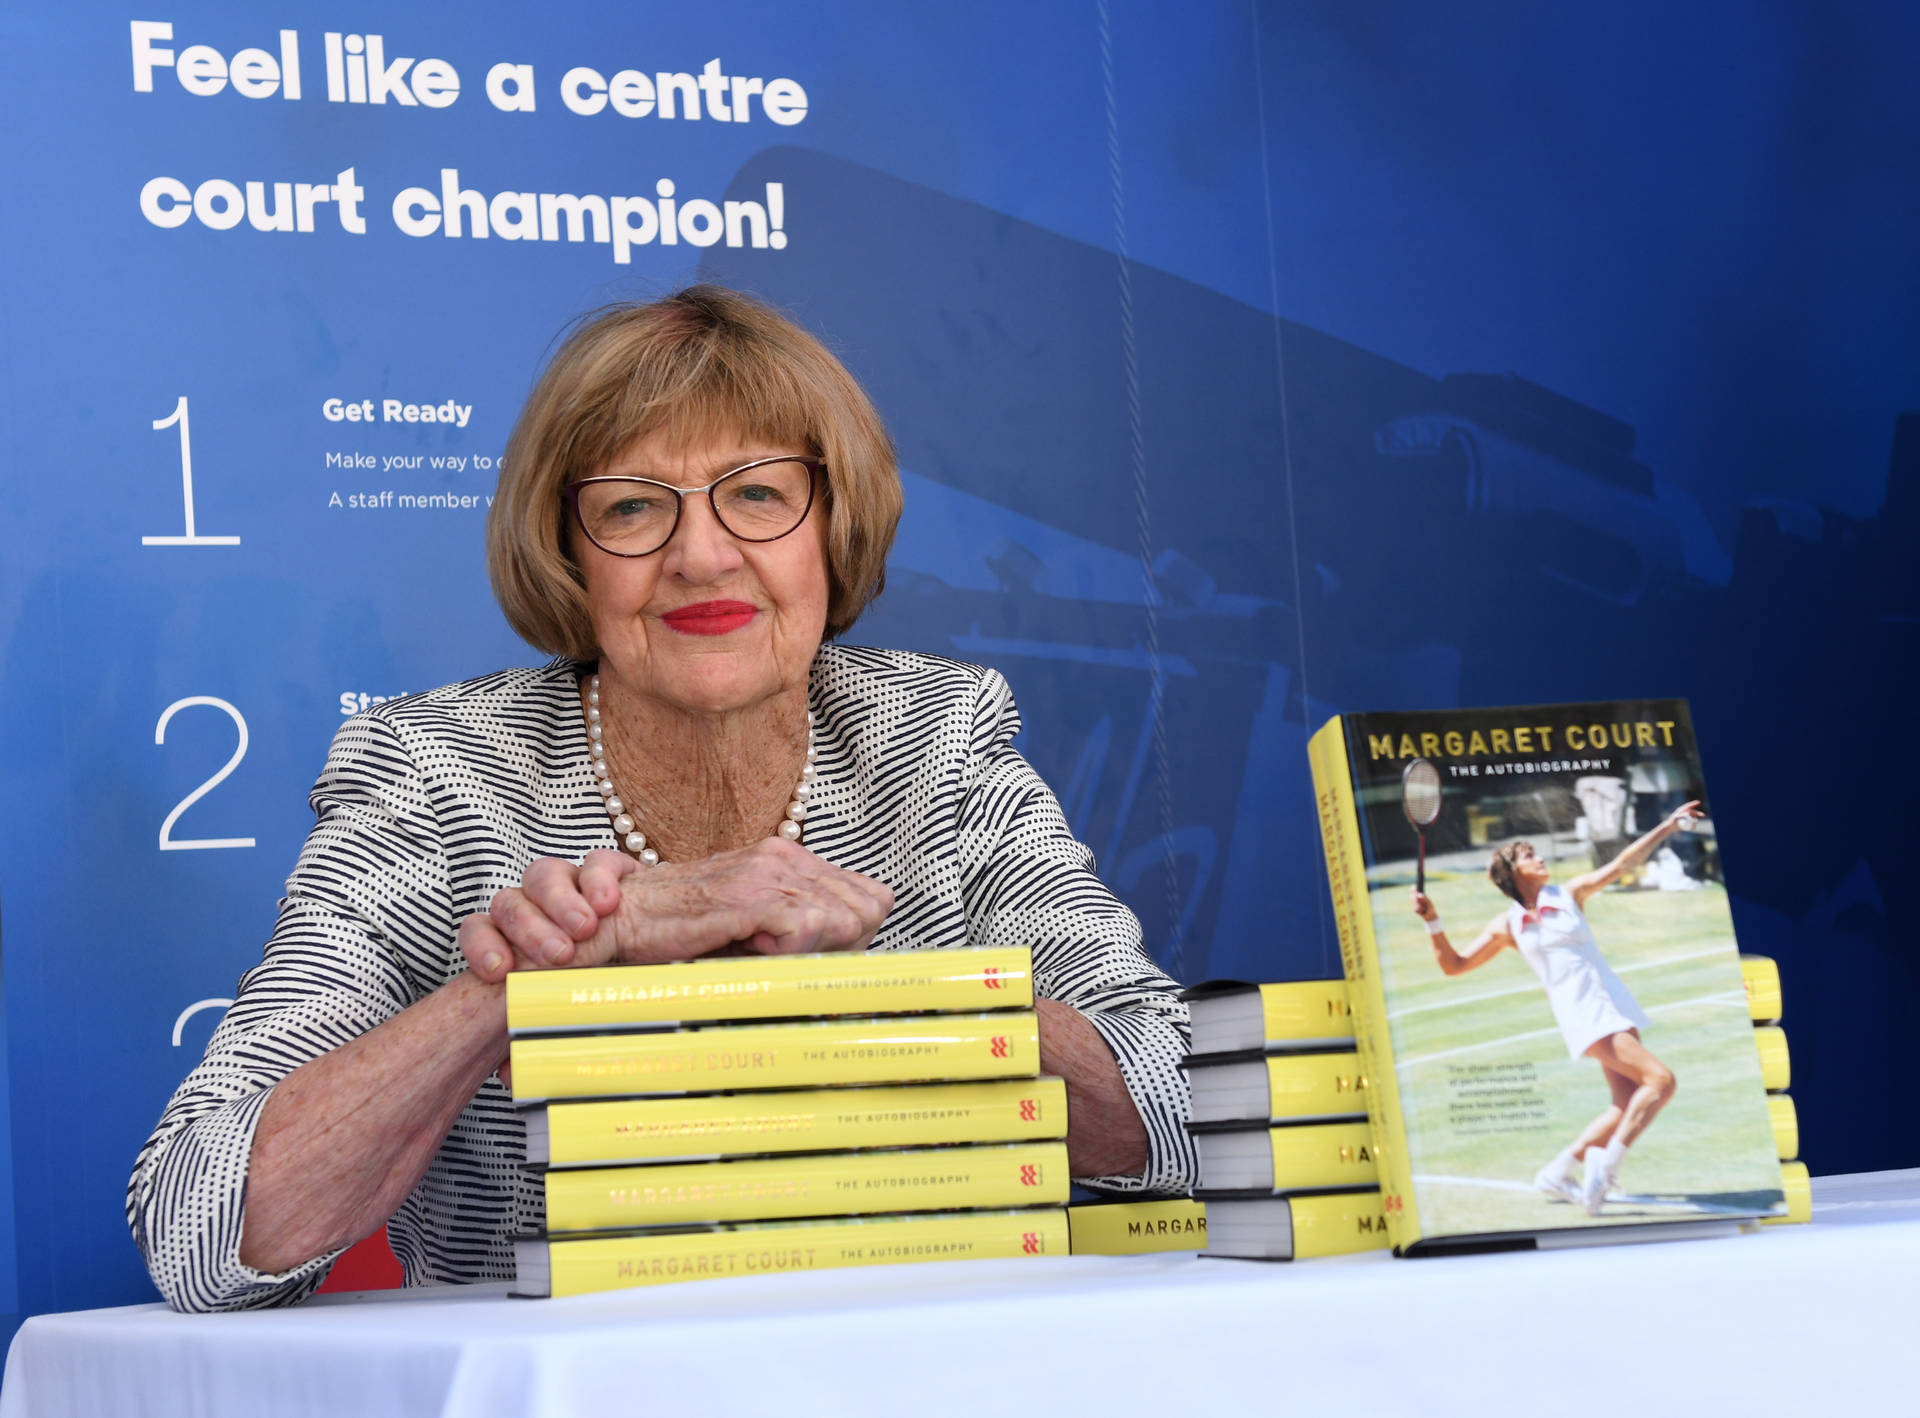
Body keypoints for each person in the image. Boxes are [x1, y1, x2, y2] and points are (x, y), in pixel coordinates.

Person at [128, 286, 1197, 1313]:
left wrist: (892, 997)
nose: (700, 553)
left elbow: (1192, 1113)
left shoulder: (933, 735)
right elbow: (198, 1226)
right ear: (568, 552)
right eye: (634, 507)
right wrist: (519, 987)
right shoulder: (440, 772)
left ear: (833, 523)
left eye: (759, 494)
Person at [1410, 801, 1702, 1215]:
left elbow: (1622, 863)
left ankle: (1558, 1171)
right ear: (1512, 874)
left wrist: (1667, 827)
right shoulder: (1507, 925)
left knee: (1625, 1104)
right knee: (1661, 1081)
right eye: (1529, 856)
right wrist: (1433, 922)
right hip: (1585, 1015)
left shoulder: (1570, 894)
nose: (1541, 857)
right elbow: (1454, 965)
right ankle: (1606, 1167)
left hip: (1612, 1004)